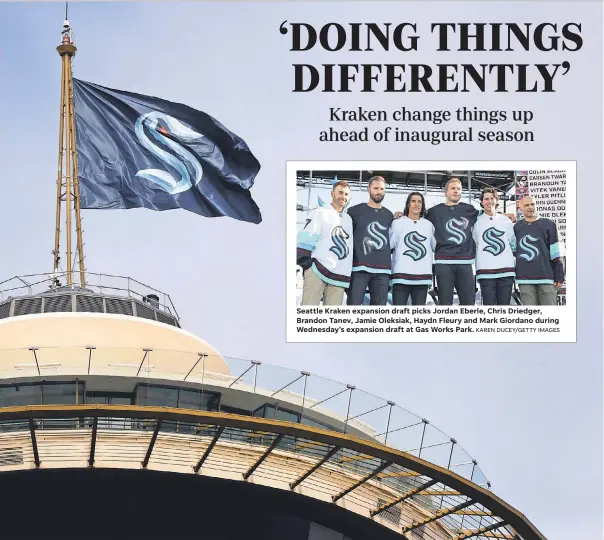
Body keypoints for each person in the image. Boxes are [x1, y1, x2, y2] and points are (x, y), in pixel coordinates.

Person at [423, 177, 480, 305]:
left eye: (459, 189)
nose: (456, 191)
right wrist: (400, 214)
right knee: (445, 303)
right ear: (446, 192)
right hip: (443, 262)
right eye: (453, 188)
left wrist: (503, 215)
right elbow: (416, 219)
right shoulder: (434, 211)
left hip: (465, 261)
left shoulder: (469, 209)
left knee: (468, 303)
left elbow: (488, 215)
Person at [296, 180, 354, 305]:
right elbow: (306, 237)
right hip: (317, 271)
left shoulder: (349, 219)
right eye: (340, 193)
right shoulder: (320, 212)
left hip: (339, 276)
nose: (343, 197)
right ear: (332, 193)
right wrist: (307, 265)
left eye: (346, 194)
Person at [346, 176, 393, 305]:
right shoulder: (354, 211)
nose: (379, 191)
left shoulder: (389, 215)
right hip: (359, 268)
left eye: (382, 189)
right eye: (376, 188)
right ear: (369, 189)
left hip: (383, 270)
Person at [514, 196, 564, 305]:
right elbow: (514, 252)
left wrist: (559, 274)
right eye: (526, 205)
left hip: (546, 277)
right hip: (524, 279)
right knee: (531, 317)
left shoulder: (549, 224)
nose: (530, 207)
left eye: (532, 204)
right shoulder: (516, 227)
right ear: (520, 207)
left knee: (549, 316)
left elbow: (556, 253)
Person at [389, 192, 435, 306]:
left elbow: (435, 246)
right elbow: (389, 245)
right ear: (408, 204)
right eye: (413, 201)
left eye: (420, 201)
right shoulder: (397, 223)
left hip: (422, 276)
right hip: (400, 275)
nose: (416, 204)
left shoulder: (429, 225)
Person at [472, 188, 517, 305]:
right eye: (486, 199)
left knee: (504, 306)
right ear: (481, 202)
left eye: (492, 198)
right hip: (485, 271)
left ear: (497, 200)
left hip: (506, 271)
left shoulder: (506, 220)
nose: (489, 201)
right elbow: (475, 242)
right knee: (489, 306)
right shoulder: (476, 222)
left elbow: (513, 243)